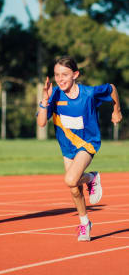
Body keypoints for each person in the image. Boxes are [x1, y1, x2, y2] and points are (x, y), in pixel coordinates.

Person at [37, 56, 122, 241]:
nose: (60, 79)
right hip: (67, 147)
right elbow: (42, 123)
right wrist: (45, 99)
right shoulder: (54, 96)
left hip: (88, 143)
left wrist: (117, 111)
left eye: (65, 75)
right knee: (74, 188)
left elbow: (112, 88)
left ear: (75, 74)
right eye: (57, 75)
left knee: (70, 179)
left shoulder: (89, 93)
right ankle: (85, 223)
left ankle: (91, 177)